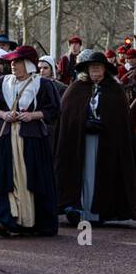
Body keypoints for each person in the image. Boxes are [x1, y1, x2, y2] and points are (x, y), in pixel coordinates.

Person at [0, 45, 59, 238]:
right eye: (12, 62)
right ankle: (7, 220)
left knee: (33, 177)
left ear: (28, 64)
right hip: (7, 136)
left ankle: (35, 222)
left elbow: (53, 111)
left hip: (32, 139)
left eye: (17, 62)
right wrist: (4, 114)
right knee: (6, 176)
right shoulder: (2, 83)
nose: (13, 65)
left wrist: (33, 115)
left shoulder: (42, 84)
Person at [55, 49, 136, 226]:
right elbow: (67, 115)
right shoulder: (76, 88)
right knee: (82, 172)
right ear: (87, 70)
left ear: (105, 70)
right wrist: (83, 123)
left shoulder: (115, 90)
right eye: (92, 68)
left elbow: (121, 120)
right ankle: (78, 208)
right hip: (80, 140)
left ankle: (99, 211)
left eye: (98, 68)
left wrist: (105, 124)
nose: (95, 72)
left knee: (101, 173)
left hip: (105, 142)